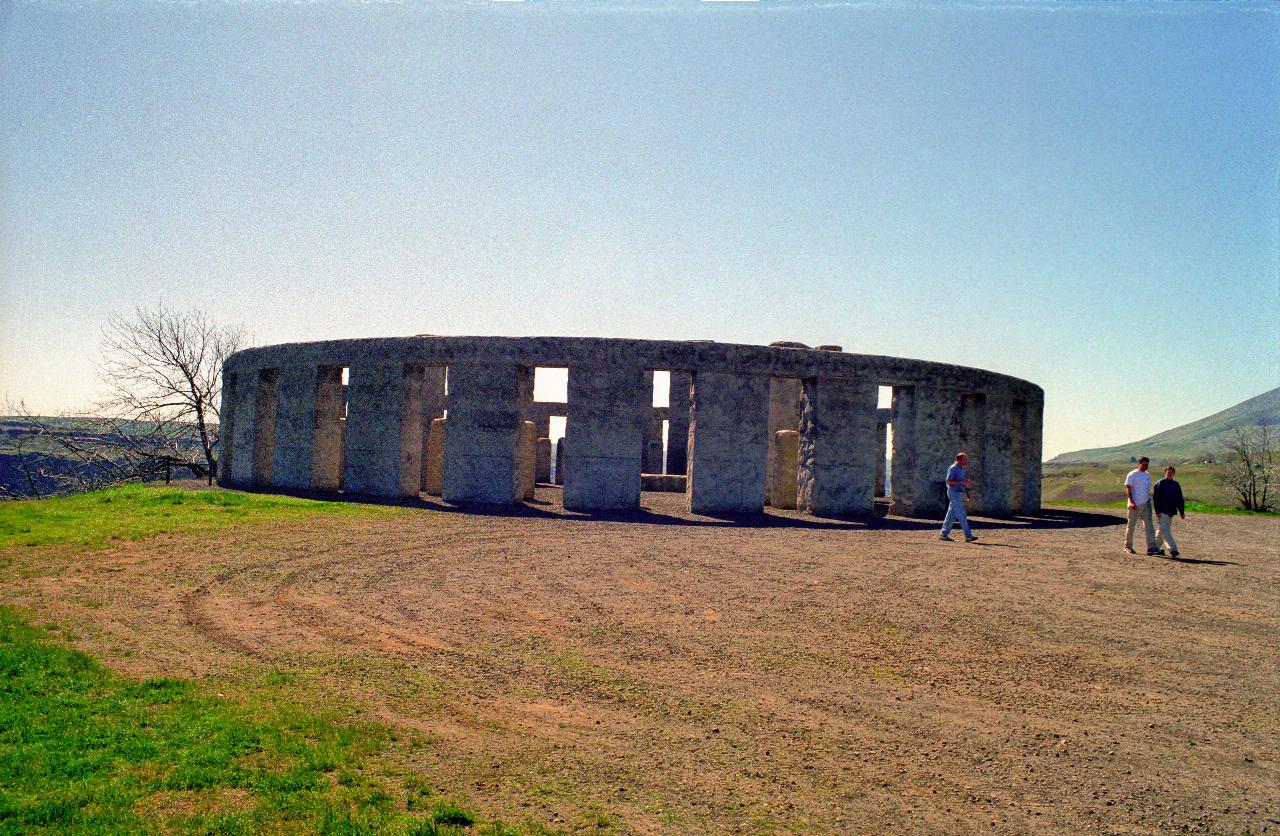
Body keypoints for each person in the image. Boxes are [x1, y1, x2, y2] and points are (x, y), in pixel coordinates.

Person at [939, 452, 978, 543]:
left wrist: (967, 491)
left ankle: (943, 534)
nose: (966, 461)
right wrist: (961, 483)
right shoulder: (953, 468)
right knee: (961, 514)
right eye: (965, 459)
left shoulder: (962, 469)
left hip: (958, 493)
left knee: (951, 515)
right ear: (959, 459)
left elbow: (963, 482)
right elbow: (948, 481)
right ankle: (968, 536)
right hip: (953, 492)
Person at [1123, 456, 1159, 555]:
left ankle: (1152, 547)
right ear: (1139, 464)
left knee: (1149, 526)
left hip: (1146, 504)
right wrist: (1132, 502)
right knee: (1131, 526)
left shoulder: (1147, 475)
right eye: (1143, 465)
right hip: (1134, 504)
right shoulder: (1132, 474)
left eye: (1147, 465)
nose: (1145, 467)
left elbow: (1147, 489)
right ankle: (1128, 546)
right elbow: (1128, 488)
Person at [1152, 466, 1185, 558]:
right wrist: (1157, 511)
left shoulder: (1176, 484)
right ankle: (1173, 550)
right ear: (1165, 472)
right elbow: (1156, 498)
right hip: (1162, 511)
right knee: (1166, 531)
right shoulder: (1160, 483)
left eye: (1171, 472)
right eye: (1168, 472)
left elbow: (1179, 499)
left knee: (1161, 532)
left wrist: (1181, 511)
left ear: (1174, 473)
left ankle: (1153, 548)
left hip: (1171, 511)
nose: (1169, 473)